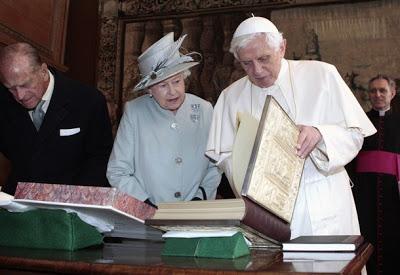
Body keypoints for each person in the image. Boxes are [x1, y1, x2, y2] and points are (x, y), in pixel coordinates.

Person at [206, 16, 376, 239]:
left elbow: (354, 134)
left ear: (282, 47)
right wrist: (250, 164)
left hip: (324, 201)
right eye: (246, 63)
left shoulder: (322, 75)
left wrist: (320, 134)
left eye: (264, 58)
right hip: (266, 212)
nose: (257, 70)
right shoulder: (231, 97)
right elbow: (223, 155)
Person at [107, 32, 221, 206]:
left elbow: (215, 165)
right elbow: (117, 171)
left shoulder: (205, 109)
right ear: (149, 90)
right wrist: (146, 205)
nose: (172, 91)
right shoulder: (135, 111)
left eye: (176, 81)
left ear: (185, 78)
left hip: (196, 213)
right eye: (162, 85)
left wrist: (200, 198)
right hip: (147, 217)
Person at [0, 42, 113, 195]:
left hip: (71, 202)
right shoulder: (3, 100)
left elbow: (100, 158)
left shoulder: (88, 100)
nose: (20, 95)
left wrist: (76, 201)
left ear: (43, 71)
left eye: (25, 85)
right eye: (11, 88)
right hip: (20, 202)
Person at [349, 75, 400, 275]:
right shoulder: (359, 122)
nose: (377, 95)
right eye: (373, 91)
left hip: (393, 192)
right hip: (365, 191)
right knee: (366, 234)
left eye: (382, 90)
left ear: (393, 93)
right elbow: (351, 157)